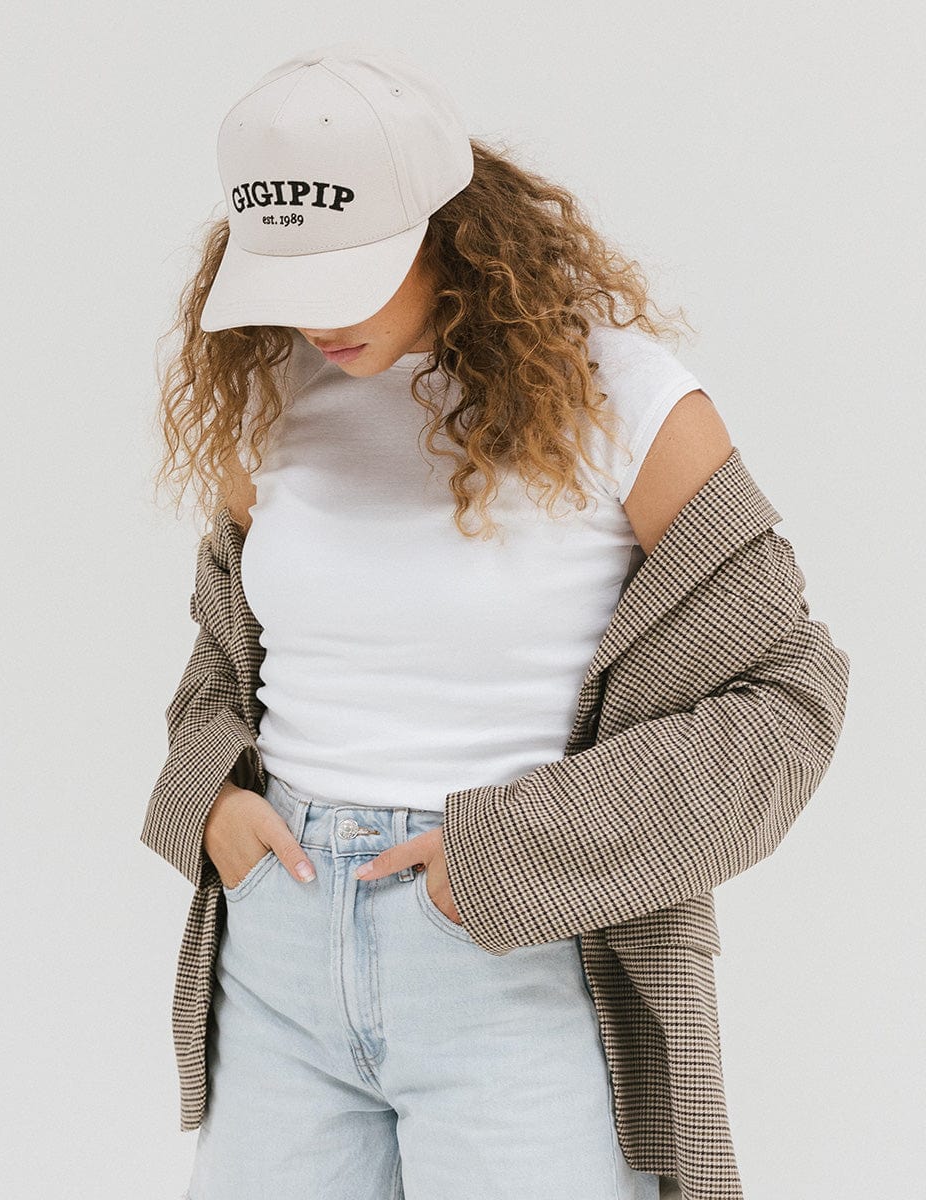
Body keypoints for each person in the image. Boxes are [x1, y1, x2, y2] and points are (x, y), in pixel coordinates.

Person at [143, 42, 849, 1200]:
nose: (315, 318)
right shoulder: (272, 401)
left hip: (512, 954)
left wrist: (502, 862)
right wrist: (207, 804)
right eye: (290, 276)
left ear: (446, 228)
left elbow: (784, 696)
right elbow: (225, 662)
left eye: (348, 273)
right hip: (276, 953)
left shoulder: (629, 402)